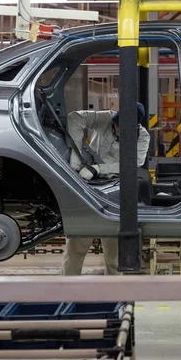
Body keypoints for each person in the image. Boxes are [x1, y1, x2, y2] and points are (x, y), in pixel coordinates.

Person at [61, 102, 151, 276]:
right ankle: (66, 294)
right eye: (116, 125)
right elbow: (74, 118)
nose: (116, 129)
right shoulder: (105, 118)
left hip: (114, 193)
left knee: (114, 257)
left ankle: (116, 298)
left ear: (136, 126)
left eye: (122, 127)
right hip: (88, 189)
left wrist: (99, 168)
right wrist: (75, 151)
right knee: (76, 251)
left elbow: (133, 165)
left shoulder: (143, 137)